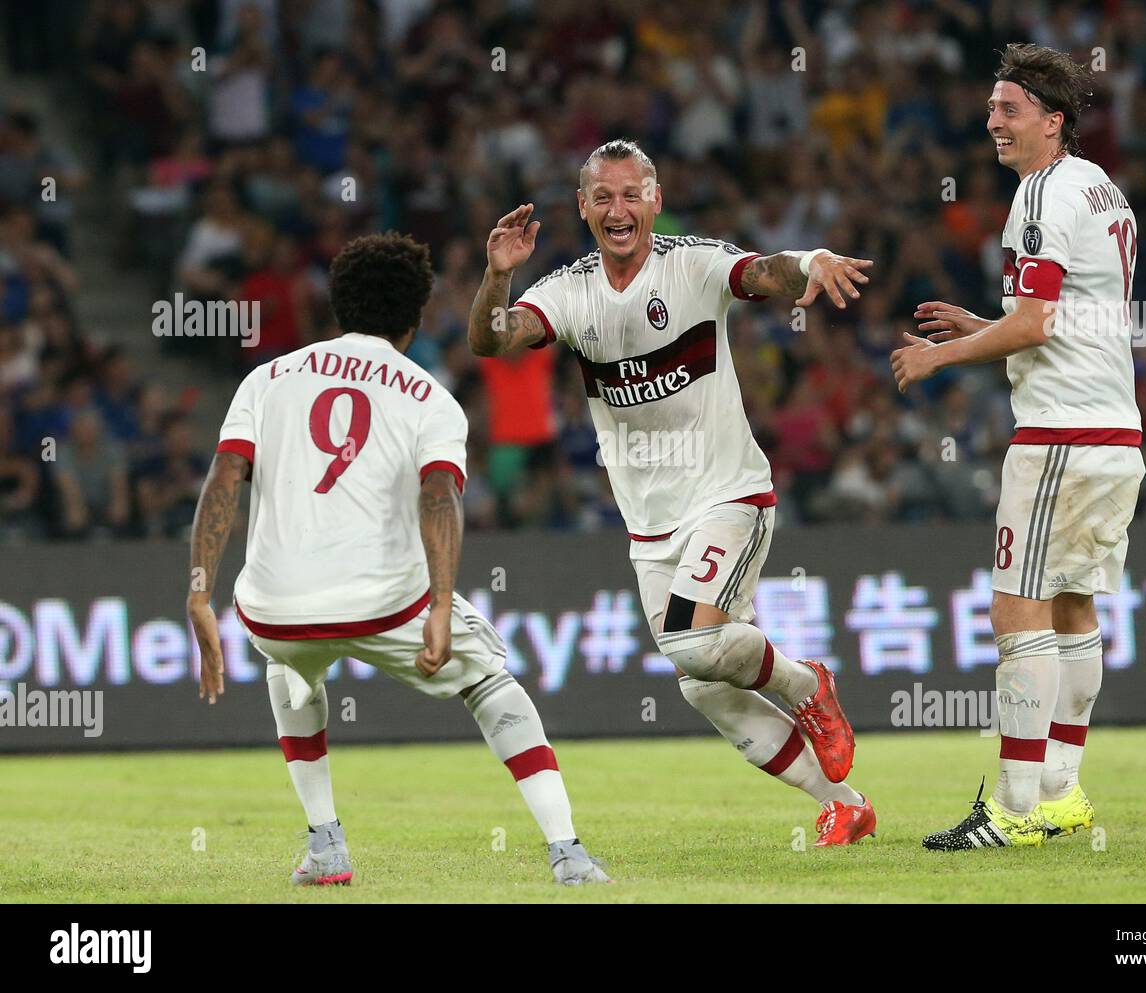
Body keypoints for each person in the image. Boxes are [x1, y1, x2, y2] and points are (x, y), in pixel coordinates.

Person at [468, 138, 877, 847]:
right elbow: (492, 340)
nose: (619, 210)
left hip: (729, 494)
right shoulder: (570, 289)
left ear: (655, 199)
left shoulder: (691, 264)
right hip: (649, 524)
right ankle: (843, 800)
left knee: (692, 640)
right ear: (583, 208)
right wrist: (495, 277)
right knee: (700, 680)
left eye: (632, 194)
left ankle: (809, 685)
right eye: (604, 197)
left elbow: (763, 271)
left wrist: (810, 262)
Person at [188, 232, 609, 886]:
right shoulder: (429, 395)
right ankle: (568, 852)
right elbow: (439, 496)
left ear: (336, 307)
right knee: (492, 681)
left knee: (292, 673)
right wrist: (441, 606)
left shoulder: (266, 379)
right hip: (385, 600)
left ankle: (326, 844)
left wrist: (197, 591)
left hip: (271, 607)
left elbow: (222, 479)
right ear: (416, 318)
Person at [892, 43, 1145, 850]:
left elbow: (1037, 323)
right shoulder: (1105, 191)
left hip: (1061, 434)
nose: (991, 121)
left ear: (1051, 120)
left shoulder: (1040, 191)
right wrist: (983, 327)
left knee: (1016, 608)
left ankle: (1012, 806)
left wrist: (939, 355)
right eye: (992, 107)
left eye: (1008, 109)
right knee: (1073, 605)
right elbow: (1069, 316)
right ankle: (1062, 791)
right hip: (1114, 432)